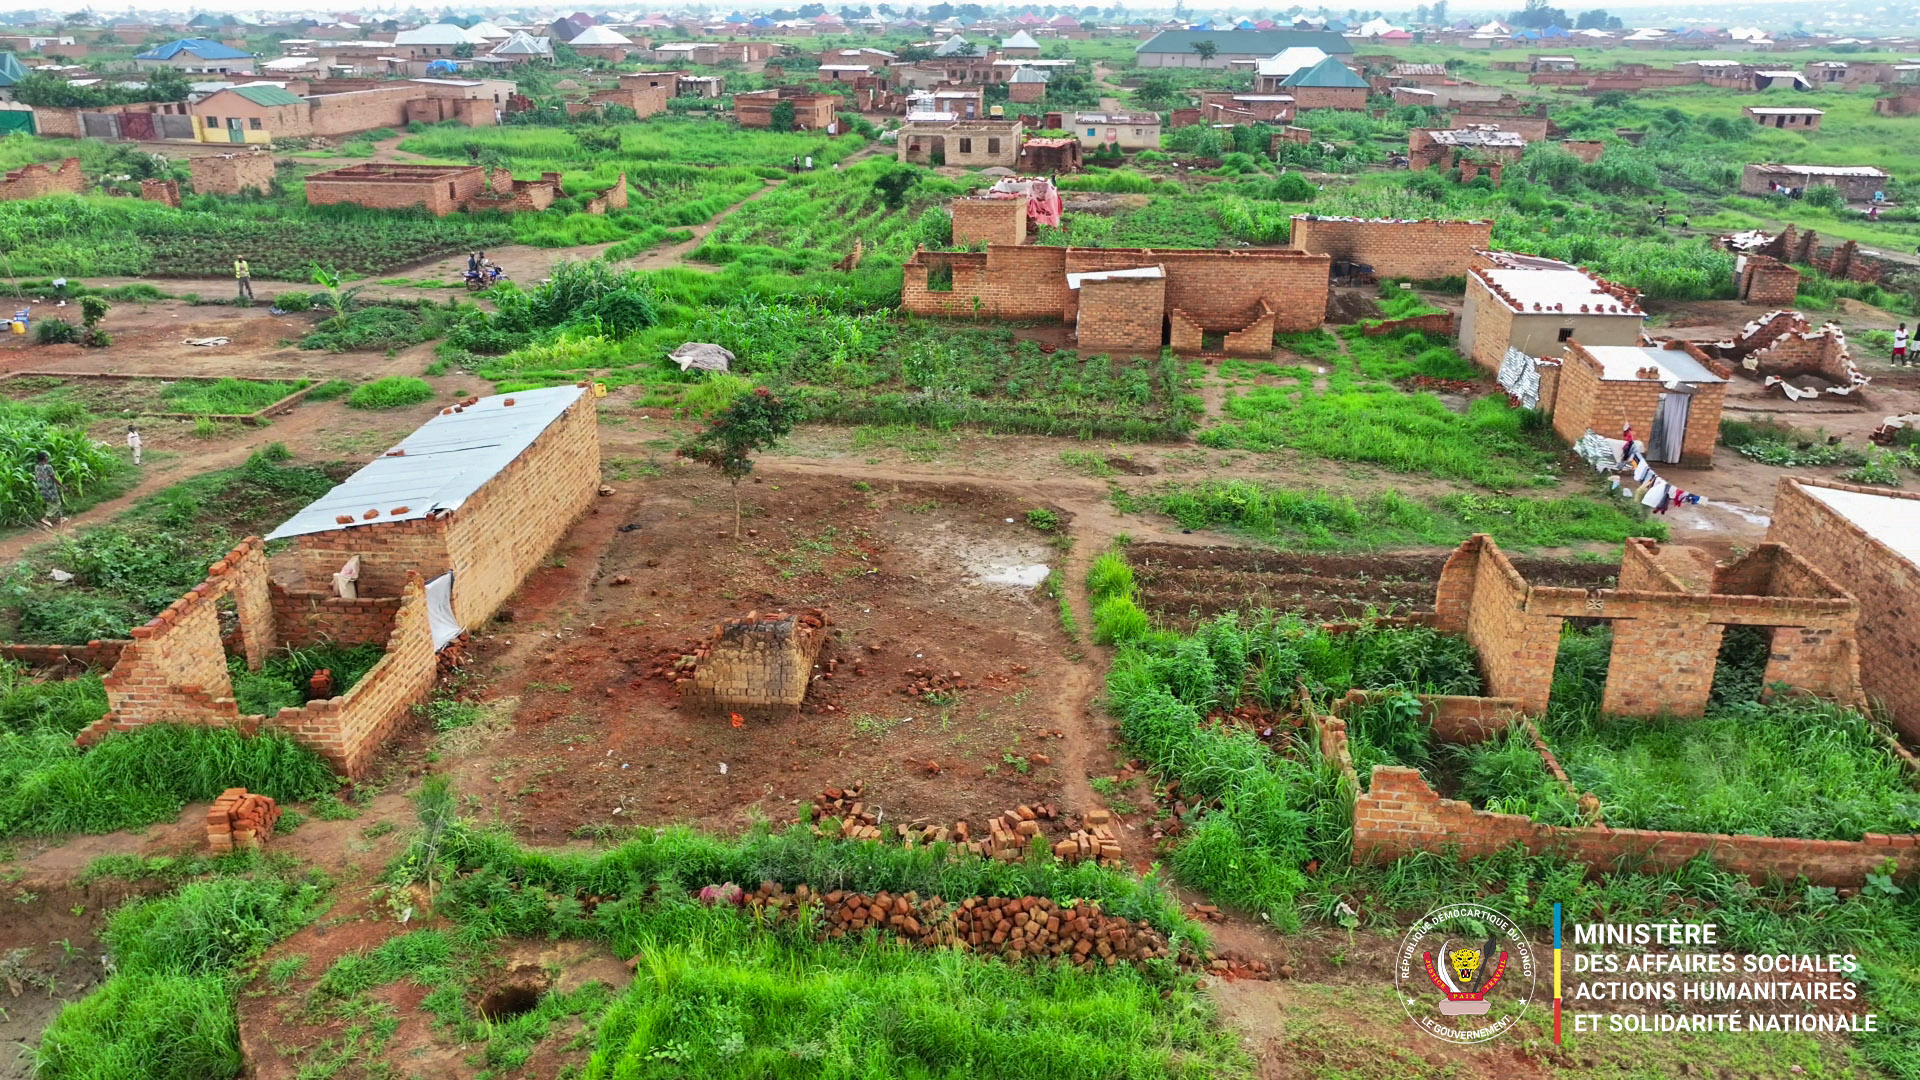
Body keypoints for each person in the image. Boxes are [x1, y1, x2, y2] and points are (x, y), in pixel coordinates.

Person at [33, 451, 63, 526]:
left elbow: (36, 478)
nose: (47, 457)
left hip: (43, 489)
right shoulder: (48, 467)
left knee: (50, 503)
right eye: (46, 456)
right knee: (57, 503)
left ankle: (59, 519)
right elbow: (54, 478)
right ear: (44, 458)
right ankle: (46, 518)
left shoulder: (37, 467)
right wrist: (63, 486)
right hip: (50, 488)